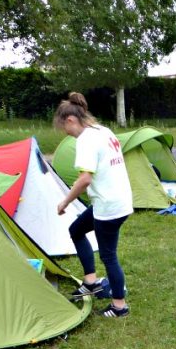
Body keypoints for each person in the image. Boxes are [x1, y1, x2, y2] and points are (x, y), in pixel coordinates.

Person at [55, 92, 134, 318]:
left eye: (63, 127)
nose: (64, 133)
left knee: (109, 256)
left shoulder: (86, 140)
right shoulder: (103, 130)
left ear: (70, 120)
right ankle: (91, 283)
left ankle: (119, 306)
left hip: (109, 207)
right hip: (116, 200)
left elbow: (85, 178)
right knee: (76, 230)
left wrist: (64, 202)